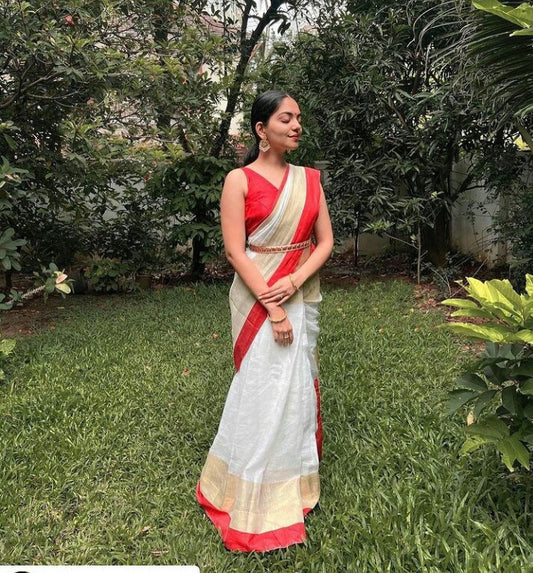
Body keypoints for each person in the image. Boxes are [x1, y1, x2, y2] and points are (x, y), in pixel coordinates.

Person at [196, 89, 334, 552]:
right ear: (261, 130)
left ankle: (292, 483)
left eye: (298, 119)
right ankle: (246, 485)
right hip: (257, 296)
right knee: (259, 385)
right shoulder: (238, 180)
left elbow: (325, 244)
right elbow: (236, 251)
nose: (296, 126)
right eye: (285, 119)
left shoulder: (310, 181)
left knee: (293, 386)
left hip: (297, 287)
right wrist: (273, 306)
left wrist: (293, 283)